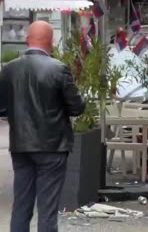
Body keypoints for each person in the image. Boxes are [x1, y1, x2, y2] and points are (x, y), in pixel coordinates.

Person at [0, 21, 85, 231]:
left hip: (21, 145)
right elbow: (77, 108)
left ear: (27, 39)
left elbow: (1, 108)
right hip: (52, 147)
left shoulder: (9, 69)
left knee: (21, 207)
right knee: (47, 209)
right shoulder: (58, 69)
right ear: (51, 42)